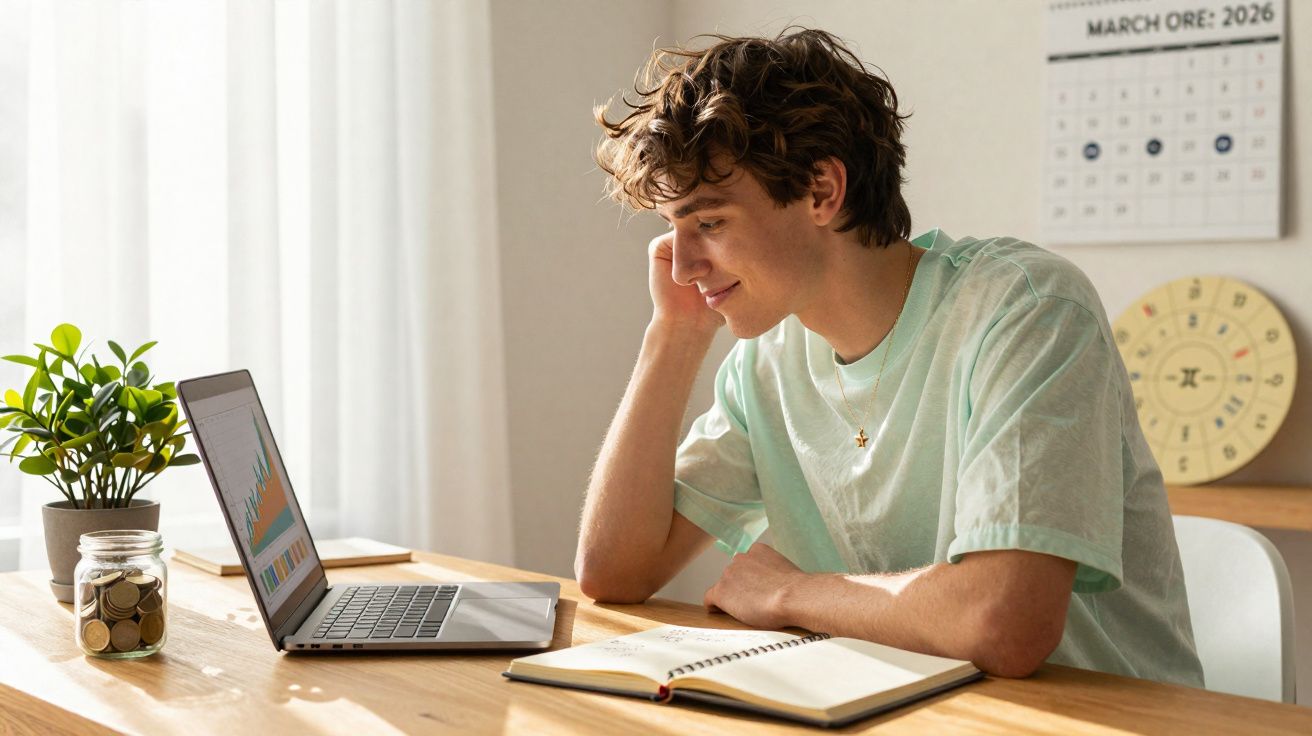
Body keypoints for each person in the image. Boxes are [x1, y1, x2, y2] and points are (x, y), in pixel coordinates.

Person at [574, 27, 1203, 684]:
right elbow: (614, 571)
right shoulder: (766, 363)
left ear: (822, 190)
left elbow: (1004, 622)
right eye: (671, 230)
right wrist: (671, 338)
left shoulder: (1025, 308)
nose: (682, 266)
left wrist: (791, 593)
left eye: (708, 223)